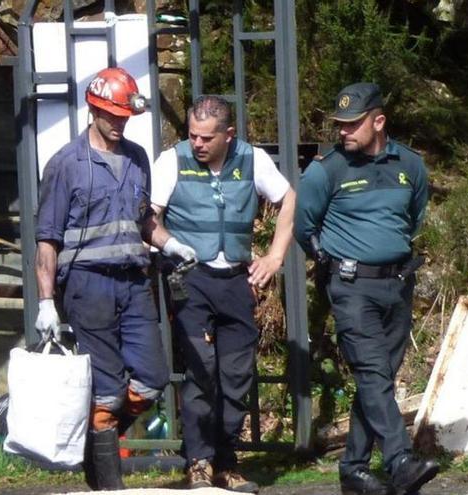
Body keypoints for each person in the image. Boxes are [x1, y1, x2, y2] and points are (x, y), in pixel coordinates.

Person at [33, 67, 182, 490]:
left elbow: (145, 222)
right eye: (112, 116)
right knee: (108, 389)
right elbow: (47, 240)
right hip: (87, 284)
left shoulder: (136, 159)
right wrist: (47, 302)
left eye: (124, 117)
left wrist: (171, 244)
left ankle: (93, 442)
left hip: (134, 283)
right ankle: (107, 485)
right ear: (94, 109)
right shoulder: (66, 165)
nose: (119, 124)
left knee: (152, 379)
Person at [294, 82, 437, 495]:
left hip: (397, 283)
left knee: (378, 381)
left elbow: (415, 216)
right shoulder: (326, 170)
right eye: (340, 124)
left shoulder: (410, 164)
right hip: (351, 287)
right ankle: (400, 460)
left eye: (353, 124)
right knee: (373, 373)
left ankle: (353, 468)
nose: (344, 132)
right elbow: (305, 226)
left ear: (378, 121)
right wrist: (333, 264)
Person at [149, 95, 295, 492]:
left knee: (236, 374)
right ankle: (198, 462)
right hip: (191, 279)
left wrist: (274, 256)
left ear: (228, 136)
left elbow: (288, 200)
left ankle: (226, 460)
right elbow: (149, 217)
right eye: (193, 135)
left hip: (236, 279)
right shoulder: (172, 161)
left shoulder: (252, 159)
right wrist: (169, 244)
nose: (197, 144)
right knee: (201, 371)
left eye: (206, 138)